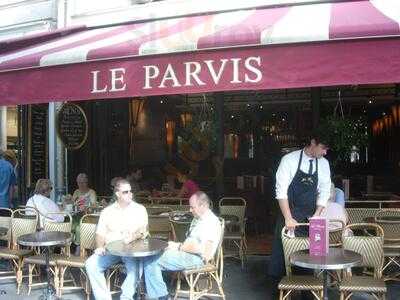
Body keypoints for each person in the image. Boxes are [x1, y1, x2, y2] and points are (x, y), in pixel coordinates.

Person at [268, 133, 331, 299]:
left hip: (310, 218)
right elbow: (280, 191)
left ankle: (308, 294)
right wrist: (288, 218)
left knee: (309, 259)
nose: (325, 152)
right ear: (313, 142)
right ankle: (282, 293)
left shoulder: (324, 164)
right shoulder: (289, 160)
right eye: (323, 148)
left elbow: (324, 191)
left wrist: (317, 216)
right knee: (282, 259)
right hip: (289, 213)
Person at [143, 191, 221, 300]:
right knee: (155, 256)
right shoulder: (200, 219)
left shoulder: (210, 222)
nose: (190, 210)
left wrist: (179, 247)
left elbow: (206, 252)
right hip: (189, 254)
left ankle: (160, 296)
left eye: (192, 207)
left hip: (198, 259)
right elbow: (192, 243)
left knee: (151, 260)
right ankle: (158, 294)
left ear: (203, 206)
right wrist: (177, 245)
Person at [85, 178, 148, 300]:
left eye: (131, 191)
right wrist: (99, 247)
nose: (130, 194)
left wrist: (133, 236)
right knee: (91, 264)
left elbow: (143, 230)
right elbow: (100, 234)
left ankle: (126, 297)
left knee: (136, 268)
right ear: (117, 194)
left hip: (132, 250)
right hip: (111, 249)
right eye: (126, 192)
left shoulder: (140, 209)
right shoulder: (107, 211)